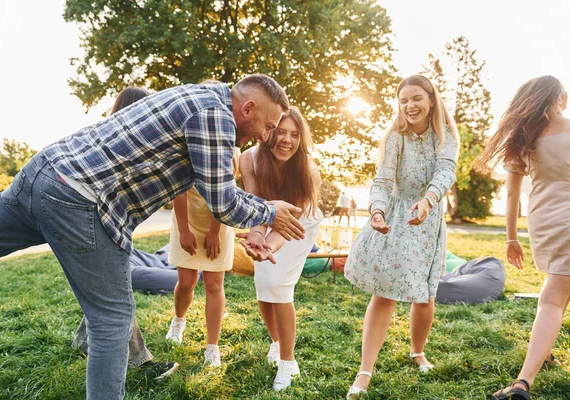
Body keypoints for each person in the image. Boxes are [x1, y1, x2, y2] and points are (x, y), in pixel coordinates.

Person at [0, 74, 305, 400]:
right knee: (112, 319)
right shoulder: (217, 116)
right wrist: (270, 212)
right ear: (248, 109)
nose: (267, 136)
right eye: (269, 125)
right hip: (79, 199)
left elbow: (211, 189)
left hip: (41, 171)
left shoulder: (197, 96)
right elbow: (223, 202)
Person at [344, 75, 459, 399]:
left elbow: (445, 171)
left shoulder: (445, 136)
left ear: (431, 100)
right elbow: (382, 180)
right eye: (404, 100)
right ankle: (365, 371)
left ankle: (417, 352)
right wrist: (377, 211)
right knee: (384, 293)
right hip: (395, 218)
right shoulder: (396, 136)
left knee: (424, 294)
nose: (410, 105)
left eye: (416, 98)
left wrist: (428, 200)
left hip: (427, 216)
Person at [474, 76, 569, 400]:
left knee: (555, 297)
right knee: (554, 299)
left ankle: (535, 364)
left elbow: (512, 196)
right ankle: (523, 382)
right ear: (557, 99)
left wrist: (511, 239)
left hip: (547, 222)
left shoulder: (522, 138)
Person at [70, 86, 176, 378]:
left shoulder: (112, 142)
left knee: (103, 290)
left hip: (94, 227)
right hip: (88, 226)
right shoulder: (117, 150)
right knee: (117, 295)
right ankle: (140, 362)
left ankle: (83, 338)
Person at [238, 106, 323, 391]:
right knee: (264, 285)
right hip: (267, 216)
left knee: (280, 285)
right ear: (268, 132)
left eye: (295, 135)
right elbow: (255, 201)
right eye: (281, 132)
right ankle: (276, 343)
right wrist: (257, 235)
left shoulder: (307, 170)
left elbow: (288, 226)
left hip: (300, 225)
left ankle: (288, 363)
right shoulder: (249, 159)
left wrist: (267, 247)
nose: (287, 140)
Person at [164, 147, 241, 367]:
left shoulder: (231, 150)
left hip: (218, 219)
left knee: (214, 285)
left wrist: (215, 232)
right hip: (186, 218)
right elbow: (178, 191)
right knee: (187, 282)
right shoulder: (188, 145)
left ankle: (212, 347)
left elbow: (225, 194)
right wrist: (184, 231)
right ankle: (178, 321)